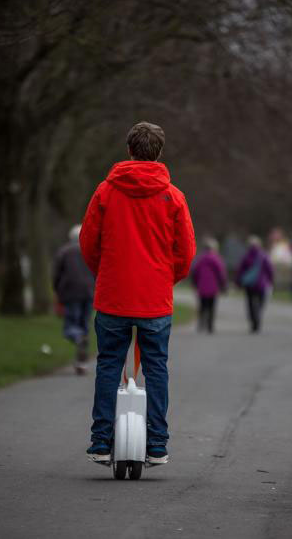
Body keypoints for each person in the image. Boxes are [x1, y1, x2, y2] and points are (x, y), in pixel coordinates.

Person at [80, 122, 196, 465]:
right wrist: (165, 278)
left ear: (130, 149)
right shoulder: (173, 196)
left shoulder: (105, 191)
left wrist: (105, 273)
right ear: (158, 152)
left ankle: (101, 441)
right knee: (157, 367)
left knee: (108, 364)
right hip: (154, 300)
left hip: (114, 296)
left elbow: (88, 242)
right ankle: (157, 444)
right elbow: (186, 252)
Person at [53, 225, 94, 374]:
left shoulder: (64, 251)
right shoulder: (91, 251)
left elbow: (57, 274)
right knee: (84, 325)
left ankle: (77, 339)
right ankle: (81, 363)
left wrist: (57, 291)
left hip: (71, 293)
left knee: (71, 326)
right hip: (89, 292)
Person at [236, 236, 274, 333]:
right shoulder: (264, 256)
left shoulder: (246, 256)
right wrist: (270, 280)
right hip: (262, 284)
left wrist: (238, 282)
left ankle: (253, 320)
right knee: (261, 303)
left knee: (250, 303)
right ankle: (257, 317)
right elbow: (270, 269)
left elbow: (240, 270)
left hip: (250, 285)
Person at [191, 237, 227, 333]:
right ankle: (210, 326)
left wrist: (194, 283)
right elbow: (221, 273)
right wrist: (223, 284)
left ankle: (201, 324)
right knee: (211, 307)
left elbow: (194, 272)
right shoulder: (216, 259)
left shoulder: (200, 258)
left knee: (202, 306)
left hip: (202, 287)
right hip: (213, 287)